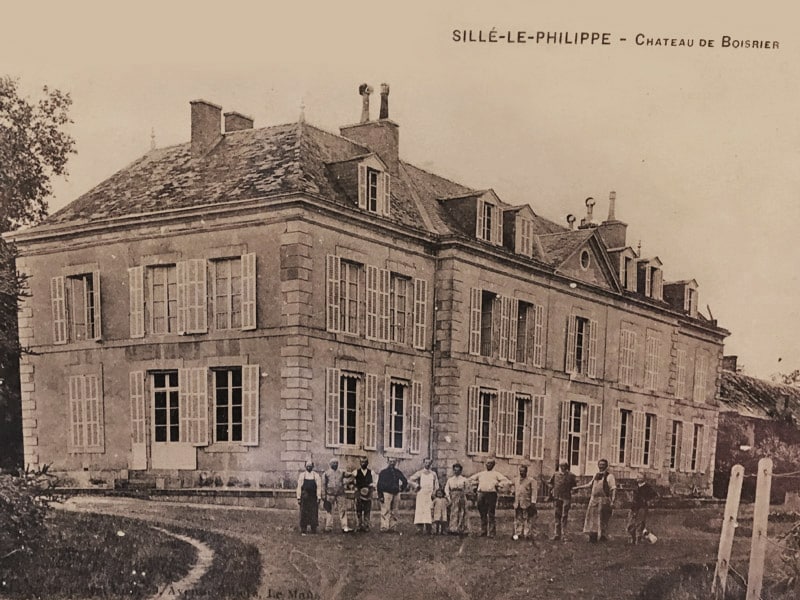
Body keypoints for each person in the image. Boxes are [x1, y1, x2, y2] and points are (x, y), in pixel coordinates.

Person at [468, 458, 511, 538]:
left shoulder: (496, 474)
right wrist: (477, 483)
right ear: (485, 464)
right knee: (482, 513)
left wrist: (498, 485)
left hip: (491, 494)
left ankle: (491, 532)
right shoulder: (481, 474)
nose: (488, 465)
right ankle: (483, 531)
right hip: (481, 493)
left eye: (490, 463)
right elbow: (469, 479)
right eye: (487, 463)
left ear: (493, 465)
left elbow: (506, 481)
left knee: (491, 513)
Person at [580, 458, 617, 542]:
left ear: (606, 466)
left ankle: (603, 536)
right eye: (600, 464)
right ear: (598, 465)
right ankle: (593, 536)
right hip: (594, 499)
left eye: (603, 465)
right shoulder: (596, 475)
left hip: (603, 500)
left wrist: (612, 501)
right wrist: (577, 487)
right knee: (592, 518)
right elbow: (590, 485)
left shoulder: (610, 476)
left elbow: (613, 489)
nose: (601, 466)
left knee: (602, 519)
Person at [377, 457, 408, 533]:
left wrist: (401, 488)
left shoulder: (397, 472)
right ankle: (384, 527)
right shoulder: (383, 472)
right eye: (390, 461)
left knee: (395, 511)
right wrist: (380, 496)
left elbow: (405, 481)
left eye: (393, 462)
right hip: (386, 493)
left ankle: (392, 527)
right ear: (387, 462)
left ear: (396, 463)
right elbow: (379, 485)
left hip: (396, 493)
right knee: (385, 510)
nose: (392, 463)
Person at [548, 461, 578, 541]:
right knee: (557, 515)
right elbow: (550, 484)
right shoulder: (556, 475)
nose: (563, 467)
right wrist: (551, 492)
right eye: (561, 466)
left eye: (564, 466)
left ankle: (564, 535)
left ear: (567, 467)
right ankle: (557, 534)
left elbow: (575, 487)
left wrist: (572, 491)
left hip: (566, 498)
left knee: (564, 516)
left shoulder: (571, 476)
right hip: (557, 498)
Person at [409, 458, 440, 534]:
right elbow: (410, 480)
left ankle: (429, 529)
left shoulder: (433, 474)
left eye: (429, 463)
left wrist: (434, 492)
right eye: (426, 463)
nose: (427, 464)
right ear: (424, 463)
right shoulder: (420, 473)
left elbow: (436, 485)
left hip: (430, 495)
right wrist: (416, 486)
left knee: (429, 511)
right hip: (421, 494)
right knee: (420, 511)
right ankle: (420, 529)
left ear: (431, 464)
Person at [322, 458, 351, 533]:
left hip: (340, 494)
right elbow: (323, 485)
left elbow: (351, 475)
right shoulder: (326, 473)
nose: (335, 464)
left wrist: (346, 482)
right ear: (330, 464)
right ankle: (328, 526)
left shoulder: (341, 472)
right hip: (330, 495)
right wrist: (323, 495)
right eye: (333, 463)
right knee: (329, 510)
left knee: (343, 510)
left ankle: (344, 527)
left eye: (336, 463)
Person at [627, 474, 657, 544]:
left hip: (642, 507)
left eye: (639, 477)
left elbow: (654, 495)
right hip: (634, 507)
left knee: (639, 524)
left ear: (643, 478)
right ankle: (635, 537)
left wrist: (647, 500)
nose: (637, 478)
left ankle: (637, 540)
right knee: (630, 524)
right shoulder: (636, 486)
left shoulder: (647, 487)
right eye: (637, 477)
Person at [511, 464, 537, 541]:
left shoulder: (531, 480)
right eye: (520, 471)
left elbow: (534, 492)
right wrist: (513, 492)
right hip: (518, 502)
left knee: (527, 519)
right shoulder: (516, 480)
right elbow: (514, 489)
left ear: (526, 471)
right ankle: (518, 533)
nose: (521, 473)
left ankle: (527, 534)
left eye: (523, 471)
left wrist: (533, 502)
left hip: (527, 502)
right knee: (518, 518)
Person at [296, 460, 322, 534]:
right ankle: (303, 529)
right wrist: (298, 497)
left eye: (310, 466)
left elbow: (319, 487)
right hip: (305, 497)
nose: (309, 467)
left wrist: (319, 497)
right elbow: (299, 487)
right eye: (307, 466)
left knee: (313, 512)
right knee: (304, 513)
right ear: (305, 466)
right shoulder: (302, 475)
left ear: (313, 466)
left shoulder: (316, 475)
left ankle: (313, 528)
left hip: (313, 497)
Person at [351, 456, 376, 532]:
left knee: (367, 510)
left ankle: (366, 525)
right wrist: (353, 487)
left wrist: (371, 486)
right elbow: (351, 481)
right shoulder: (355, 472)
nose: (363, 463)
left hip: (368, 494)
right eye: (362, 462)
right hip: (358, 493)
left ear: (367, 463)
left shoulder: (372, 472)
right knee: (358, 510)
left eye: (365, 462)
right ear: (360, 463)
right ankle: (359, 525)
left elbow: (375, 482)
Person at [444, 463, 470, 535]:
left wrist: (464, 495)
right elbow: (446, 489)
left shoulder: (464, 479)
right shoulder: (450, 480)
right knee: (453, 512)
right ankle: (453, 528)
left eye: (458, 470)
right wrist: (448, 498)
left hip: (461, 496)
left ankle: (461, 528)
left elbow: (467, 488)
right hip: (453, 496)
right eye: (455, 470)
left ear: (460, 471)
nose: (456, 472)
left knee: (462, 512)